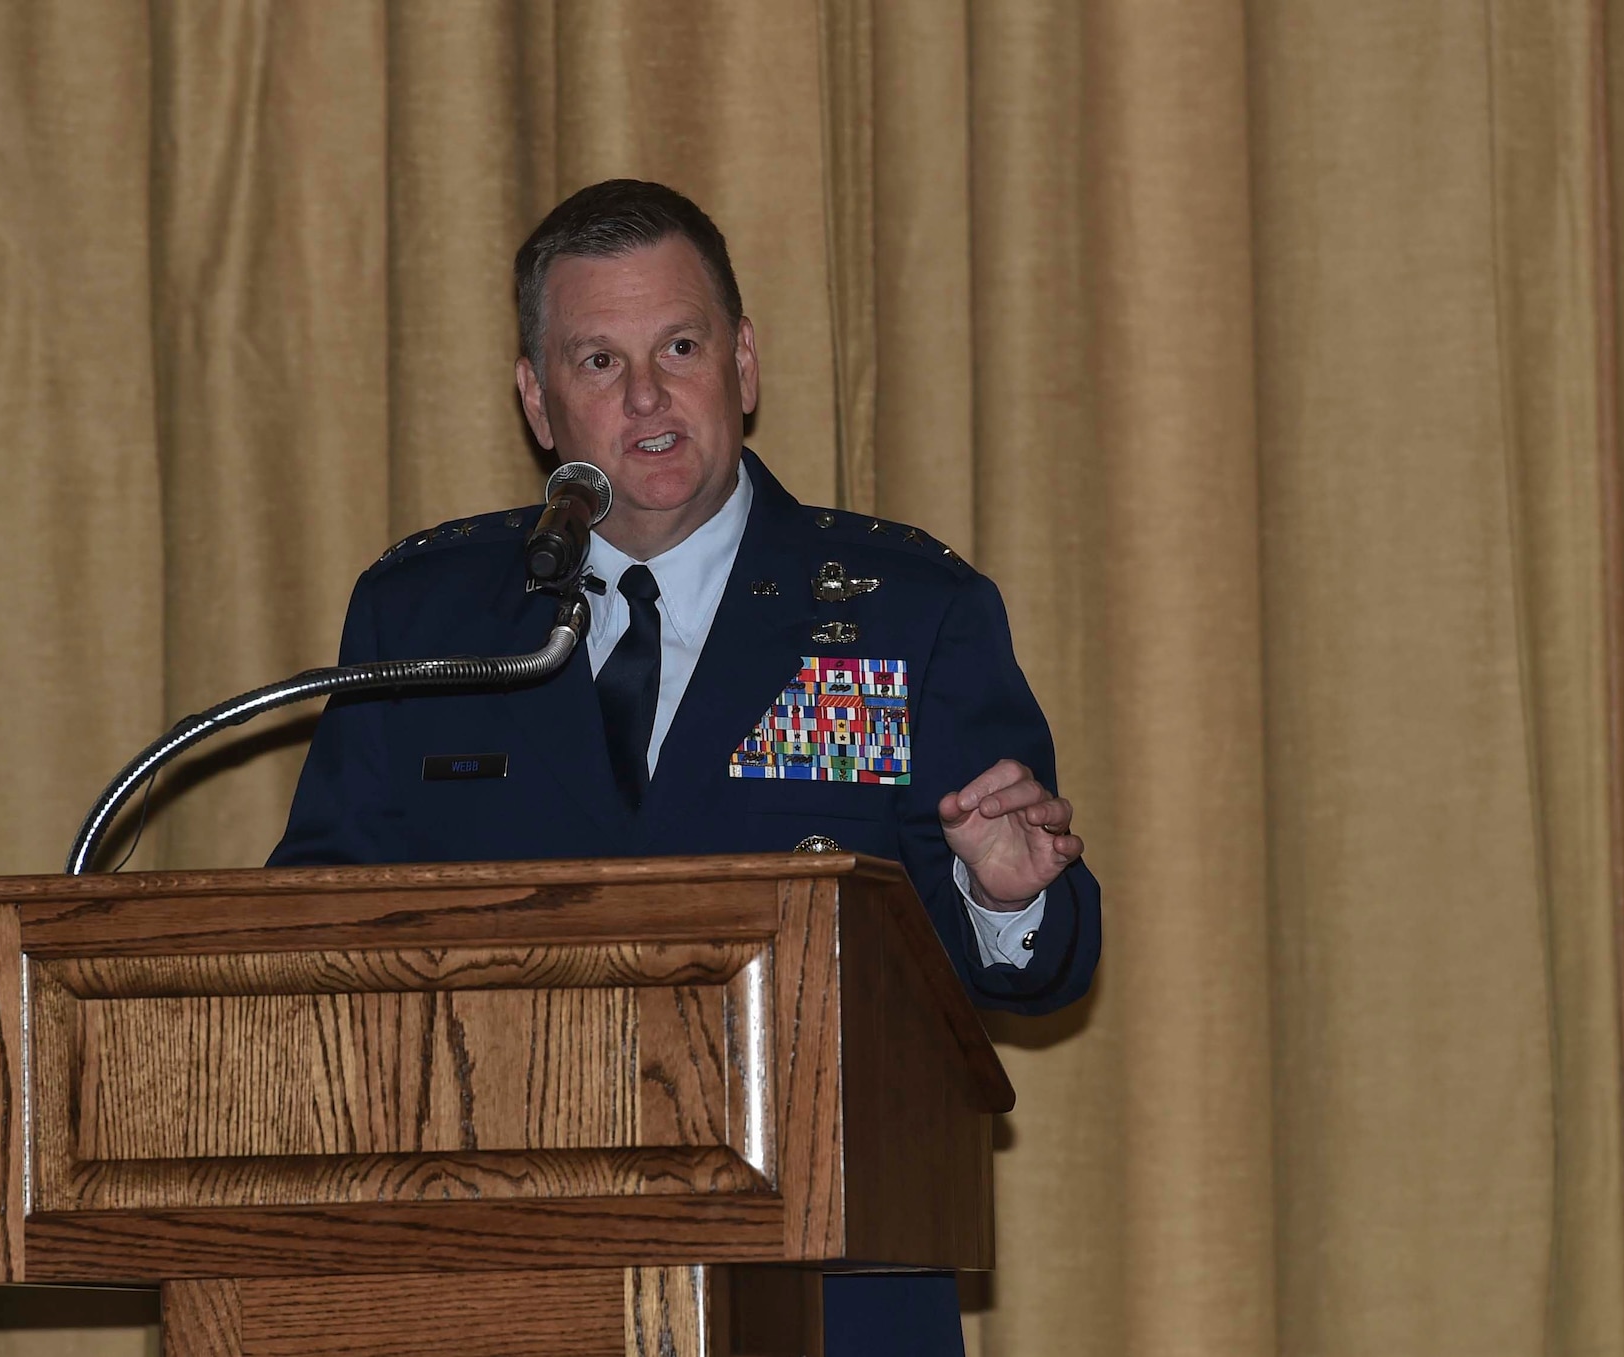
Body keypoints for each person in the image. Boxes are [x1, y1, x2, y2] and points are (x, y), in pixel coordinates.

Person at [271, 179, 1102, 1355]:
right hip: (504, 1284)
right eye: (597, 362)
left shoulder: (907, 612)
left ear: (743, 364)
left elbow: (1045, 963)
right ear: (536, 400)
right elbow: (315, 927)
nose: (648, 397)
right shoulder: (426, 618)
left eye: (678, 345)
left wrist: (1005, 897)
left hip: (826, 1287)